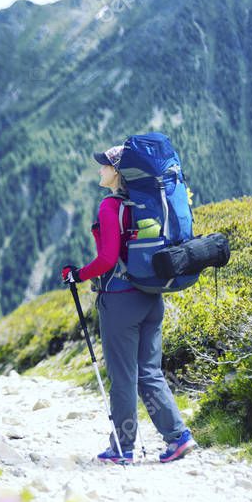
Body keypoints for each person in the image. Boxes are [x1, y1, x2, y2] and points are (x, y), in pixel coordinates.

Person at [60, 144, 197, 464]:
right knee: (149, 373)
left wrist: (77, 274)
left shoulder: (110, 207)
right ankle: (178, 438)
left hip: (120, 301)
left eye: (105, 166)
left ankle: (123, 448)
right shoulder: (145, 204)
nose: (100, 170)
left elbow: (107, 259)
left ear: (118, 172)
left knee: (123, 377)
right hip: (151, 297)